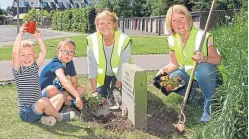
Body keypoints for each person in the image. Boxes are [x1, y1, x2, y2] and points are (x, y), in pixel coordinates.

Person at [158, 5, 223, 122]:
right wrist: (163, 71)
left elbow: (218, 60)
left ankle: (210, 107)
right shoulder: (172, 39)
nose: (179, 23)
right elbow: (174, 63)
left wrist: (204, 58)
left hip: (211, 76)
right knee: (163, 83)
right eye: (174, 20)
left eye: (182, 18)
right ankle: (194, 96)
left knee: (203, 67)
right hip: (189, 74)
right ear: (170, 24)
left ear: (188, 18)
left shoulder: (202, 36)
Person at [12, 24, 75, 126]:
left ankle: (46, 117)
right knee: (45, 101)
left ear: (34, 55)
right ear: (18, 58)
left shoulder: (34, 67)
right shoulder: (18, 71)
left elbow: (44, 52)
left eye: (30, 54)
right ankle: (60, 116)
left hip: (40, 108)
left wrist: (38, 37)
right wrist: (20, 35)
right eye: (23, 55)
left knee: (59, 96)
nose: (27, 58)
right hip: (27, 113)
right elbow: (14, 53)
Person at [86, 10, 132, 98]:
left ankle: (117, 87)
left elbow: (124, 65)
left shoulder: (124, 40)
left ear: (114, 24)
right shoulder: (92, 40)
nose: (105, 26)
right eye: (102, 23)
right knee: (100, 96)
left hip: (120, 73)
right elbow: (92, 67)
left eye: (109, 23)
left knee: (117, 96)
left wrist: (117, 88)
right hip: (104, 75)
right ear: (97, 26)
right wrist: (94, 91)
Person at [40, 38, 84, 110]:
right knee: (52, 89)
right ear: (57, 52)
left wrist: (66, 93)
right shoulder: (56, 64)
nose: (67, 55)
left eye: (71, 52)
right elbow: (64, 82)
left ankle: (64, 100)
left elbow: (74, 82)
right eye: (64, 51)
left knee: (82, 88)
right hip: (46, 93)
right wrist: (77, 96)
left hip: (60, 91)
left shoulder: (69, 63)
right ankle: (68, 103)